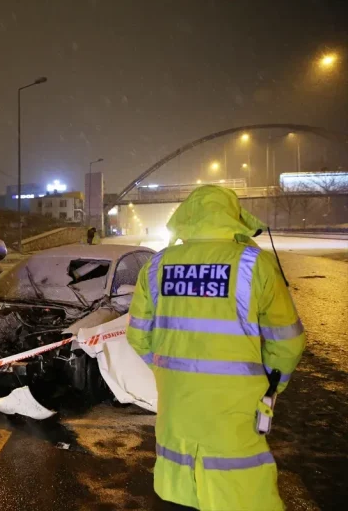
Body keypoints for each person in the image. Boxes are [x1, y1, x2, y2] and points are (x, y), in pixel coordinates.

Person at [126, 185, 305, 511]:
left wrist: (167, 367)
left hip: (176, 409)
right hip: (234, 412)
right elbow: (288, 340)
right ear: (233, 218)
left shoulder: (157, 266)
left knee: (178, 492)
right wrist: (272, 384)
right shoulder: (255, 265)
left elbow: (138, 336)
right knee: (240, 488)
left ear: (186, 217)